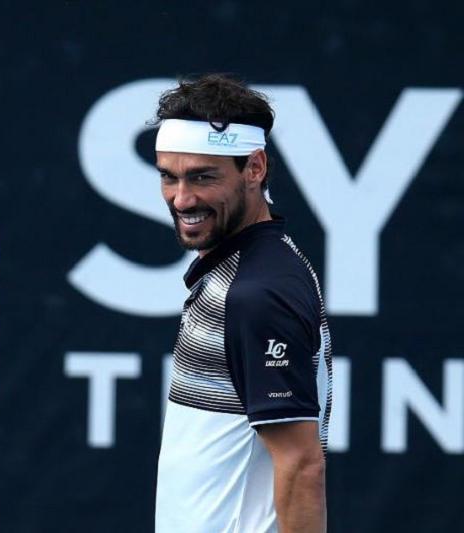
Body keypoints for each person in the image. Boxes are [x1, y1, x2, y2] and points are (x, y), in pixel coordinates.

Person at [154, 74, 332, 533]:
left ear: (255, 168)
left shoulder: (257, 293)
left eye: (203, 177)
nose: (182, 198)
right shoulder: (246, 274)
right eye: (169, 176)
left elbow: (301, 466)